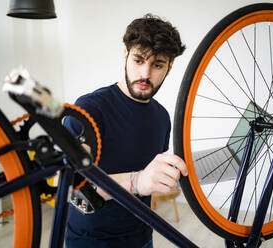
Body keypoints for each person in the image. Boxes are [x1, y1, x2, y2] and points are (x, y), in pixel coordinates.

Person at [64, 13, 187, 248]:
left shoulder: (162, 118)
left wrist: (165, 178)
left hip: (142, 238)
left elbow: (150, 183)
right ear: (126, 55)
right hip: (90, 242)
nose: (145, 74)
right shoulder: (90, 108)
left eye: (157, 65)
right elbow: (70, 184)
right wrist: (137, 181)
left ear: (169, 67)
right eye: (139, 60)